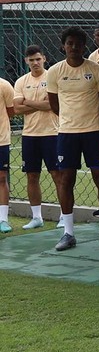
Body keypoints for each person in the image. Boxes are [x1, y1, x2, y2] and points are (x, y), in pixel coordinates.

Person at [46, 26, 99, 250]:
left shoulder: (96, 71)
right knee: (66, 180)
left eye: (78, 43)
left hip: (93, 134)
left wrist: (92, 121)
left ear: (85, 46)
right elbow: (54, 104)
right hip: (67, 134)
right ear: (63, 46)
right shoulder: (55, 72)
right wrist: (71, 120)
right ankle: (68, 233)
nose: (74, 47)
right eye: (70, 43)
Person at [12, 46, 60, 230]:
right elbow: (17, 109)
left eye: (38, 59)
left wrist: (28, 102)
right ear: (26, 61)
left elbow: (51, 105)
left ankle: (64, 215)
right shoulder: (21, 81)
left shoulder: (52, 77)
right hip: (29, 135)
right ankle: (37, 217)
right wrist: (40, 104)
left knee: (58, 175)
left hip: (52, 134)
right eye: (31, 60)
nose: (35, 63)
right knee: (32, 176)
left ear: (44, 58)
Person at [0, 73, 14, 232]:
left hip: (1, 139)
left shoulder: (4, 85)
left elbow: (11, 110)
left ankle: (3, 219)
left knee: (1, 177)